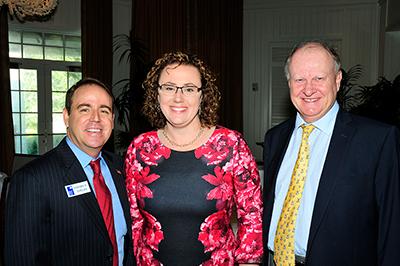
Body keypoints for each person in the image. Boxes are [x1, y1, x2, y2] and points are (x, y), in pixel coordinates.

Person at [262, 39, 400, 266]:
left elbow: (392, 227)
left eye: (319, 78)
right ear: (289, 83)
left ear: (337, 80)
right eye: (299, 79)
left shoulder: (377, 140)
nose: (308, 89)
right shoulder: (275, 137)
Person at [125, 51, 263, 265]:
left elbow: (252, 221)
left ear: (202, 95)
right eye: (169, 88)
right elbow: (134, 222)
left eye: (189, 89)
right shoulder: (139, 148)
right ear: (157, 94)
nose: (178, 97)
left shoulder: (231, 145)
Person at [4, 78, 136, 266]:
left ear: (112, 121)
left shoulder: (123, 168)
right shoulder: (33, 179)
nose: (96, 118)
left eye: (104, 111)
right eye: (85, 109)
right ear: (66, 117)